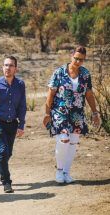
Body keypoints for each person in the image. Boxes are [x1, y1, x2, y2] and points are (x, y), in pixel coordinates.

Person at [43, 46, 100, 184]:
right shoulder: (59, 72)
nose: (78, 62)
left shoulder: (85, 74)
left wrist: (94, 112)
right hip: (60, 111)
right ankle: (59, 171)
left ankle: (66, 173)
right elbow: (51, 93)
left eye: (81, 60)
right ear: (71, 56)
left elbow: (89, 94)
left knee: (73, 142)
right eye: (76, 58)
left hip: (77, 112)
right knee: (64, 139)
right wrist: (47, 113)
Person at [0, 56, 26, 193]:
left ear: (16, 68)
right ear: (3, 67)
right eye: (5, 65)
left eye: (11, 65)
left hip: (12, 124)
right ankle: (6, 181)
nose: (8, 68)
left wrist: (21, 125)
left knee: (8, 153)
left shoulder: (20, 85)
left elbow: (22, 106)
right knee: (3, 151)